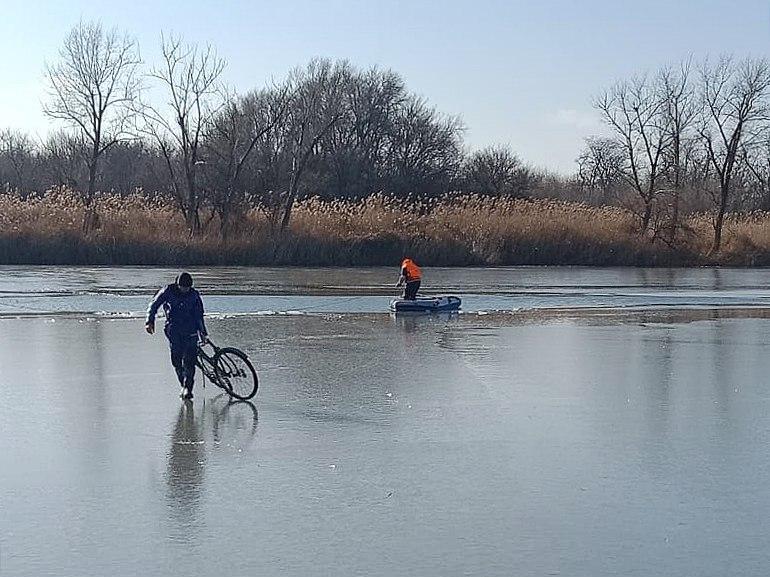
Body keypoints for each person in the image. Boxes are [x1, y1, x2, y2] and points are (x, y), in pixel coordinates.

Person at [145, 272, 208, 400]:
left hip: (190, 329)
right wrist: (149, 321)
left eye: (187, 288)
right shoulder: (168, 291)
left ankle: (188, 388)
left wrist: (203, 332)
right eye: (183, 287)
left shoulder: (194, 295)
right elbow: (154, 305)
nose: (185, 290)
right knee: (177, 360)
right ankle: (183, 384)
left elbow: (199, 315)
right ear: (178, 285)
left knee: (190, 361)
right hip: (173, 329)